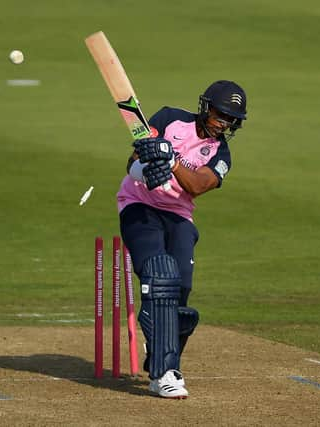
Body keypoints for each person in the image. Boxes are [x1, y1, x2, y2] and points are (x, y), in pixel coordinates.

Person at [117, 80, 247, 398]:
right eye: (221, 114)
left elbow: (198, 185)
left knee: (181, 287)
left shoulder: (221, 153)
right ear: (206, 108)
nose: (224, 123)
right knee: (160, 272)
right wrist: (145, 171)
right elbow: (133, 160)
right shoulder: (170, 118)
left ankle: (161, 360)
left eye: (231, 119)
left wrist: (171, 161)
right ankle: (166, 373)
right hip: (139, 205)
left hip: (179, 216)